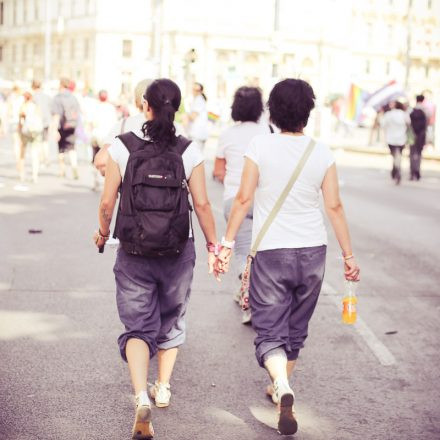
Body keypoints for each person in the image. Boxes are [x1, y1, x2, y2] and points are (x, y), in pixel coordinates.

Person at [216, 79, 360, 435]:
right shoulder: (322, 151)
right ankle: (280, 388)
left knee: (269, 328)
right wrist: (349, 255)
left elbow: (243, 199)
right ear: (308, 112)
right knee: (296, 327)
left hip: (272, 251)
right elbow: (335, 207)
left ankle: (281, 384)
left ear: (274, 112)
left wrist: (227, 243)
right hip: (313, 251)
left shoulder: (260, 145)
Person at [93, 78, 219, 439]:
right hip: (179, 250)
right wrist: (214, 247)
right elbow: (203, 204)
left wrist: (103, 234)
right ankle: (163, 387)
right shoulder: (188, 149)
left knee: (137, 325)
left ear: (144, 105)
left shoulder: (123, 146)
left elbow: (106, 203)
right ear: (176, 108)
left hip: (133, 249)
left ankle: (140, 396)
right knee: (172, 317)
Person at [213, 86, 271, 322]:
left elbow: (218, 170)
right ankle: (258, 297)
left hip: (234, 200)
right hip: (263, 201)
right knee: (263, 252)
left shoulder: (227, 134)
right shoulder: (268, 131)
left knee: (242, 252)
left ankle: (248, 297)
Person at [93, 79, 152, 176]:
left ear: (137, 100)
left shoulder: (124, 125)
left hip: (132, 188)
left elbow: (101, 161)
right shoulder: (176, 128)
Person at [51, 78, 81, 179]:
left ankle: (62, 170)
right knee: (72, 148)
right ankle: (74, 169)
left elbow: (56, 115)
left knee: (61, 149)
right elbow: (78, 113)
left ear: (61, 85)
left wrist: (54, 130)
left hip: (62, 126)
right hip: (72, 125)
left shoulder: (58, 98)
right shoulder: (74, 97)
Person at [90, 89, 117, 189]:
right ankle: (107, 182)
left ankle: (95, 181)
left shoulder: (95, 107)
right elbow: (115, 123)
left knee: (95, 158)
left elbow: (91, 122)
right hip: (108, 137)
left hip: (96, 134)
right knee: (109, 160)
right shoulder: (111, 108)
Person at [17, 91, 44, 183]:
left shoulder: (24, 107)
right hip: (36, 132)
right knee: (34, 154)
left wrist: (19, 131)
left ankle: (22, 175)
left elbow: (21, 122)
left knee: (22, 153)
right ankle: (34, 175)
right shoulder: (36, 107)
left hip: (26, 132)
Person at [381, 101, 410, 185]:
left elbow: (383, 125)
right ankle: (397, 169)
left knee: (394, 155)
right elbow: (409, 123)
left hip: (391, 139)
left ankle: (395, 170)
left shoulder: (388, 114)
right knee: (399, 155)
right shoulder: (404, 114)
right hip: (401, 138)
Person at [31, 80, 52, 167]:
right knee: (45, 141)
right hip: (46, 122)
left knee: (38, 142)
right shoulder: (46, 96)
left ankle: (41, 160)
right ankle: (46, 157)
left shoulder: (33, 97)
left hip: (37, 122)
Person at [409, 95, 428, 181]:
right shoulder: (425, 110)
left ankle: (412, 172)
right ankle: (417, 171)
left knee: (412, 153)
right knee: (419, 153)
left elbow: (407, 122)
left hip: (412, 135)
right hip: (421, 135)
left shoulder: (411, 110)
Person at [186, 82, 209, 150]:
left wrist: (185, 115)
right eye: (193, 89)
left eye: (197, 90)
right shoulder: (198, 99)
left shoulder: (199, 100)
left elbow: (193, 117)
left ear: (201, 91)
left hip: (197, 134)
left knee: (195, 158)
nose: (194, 91)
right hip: (198, 134)